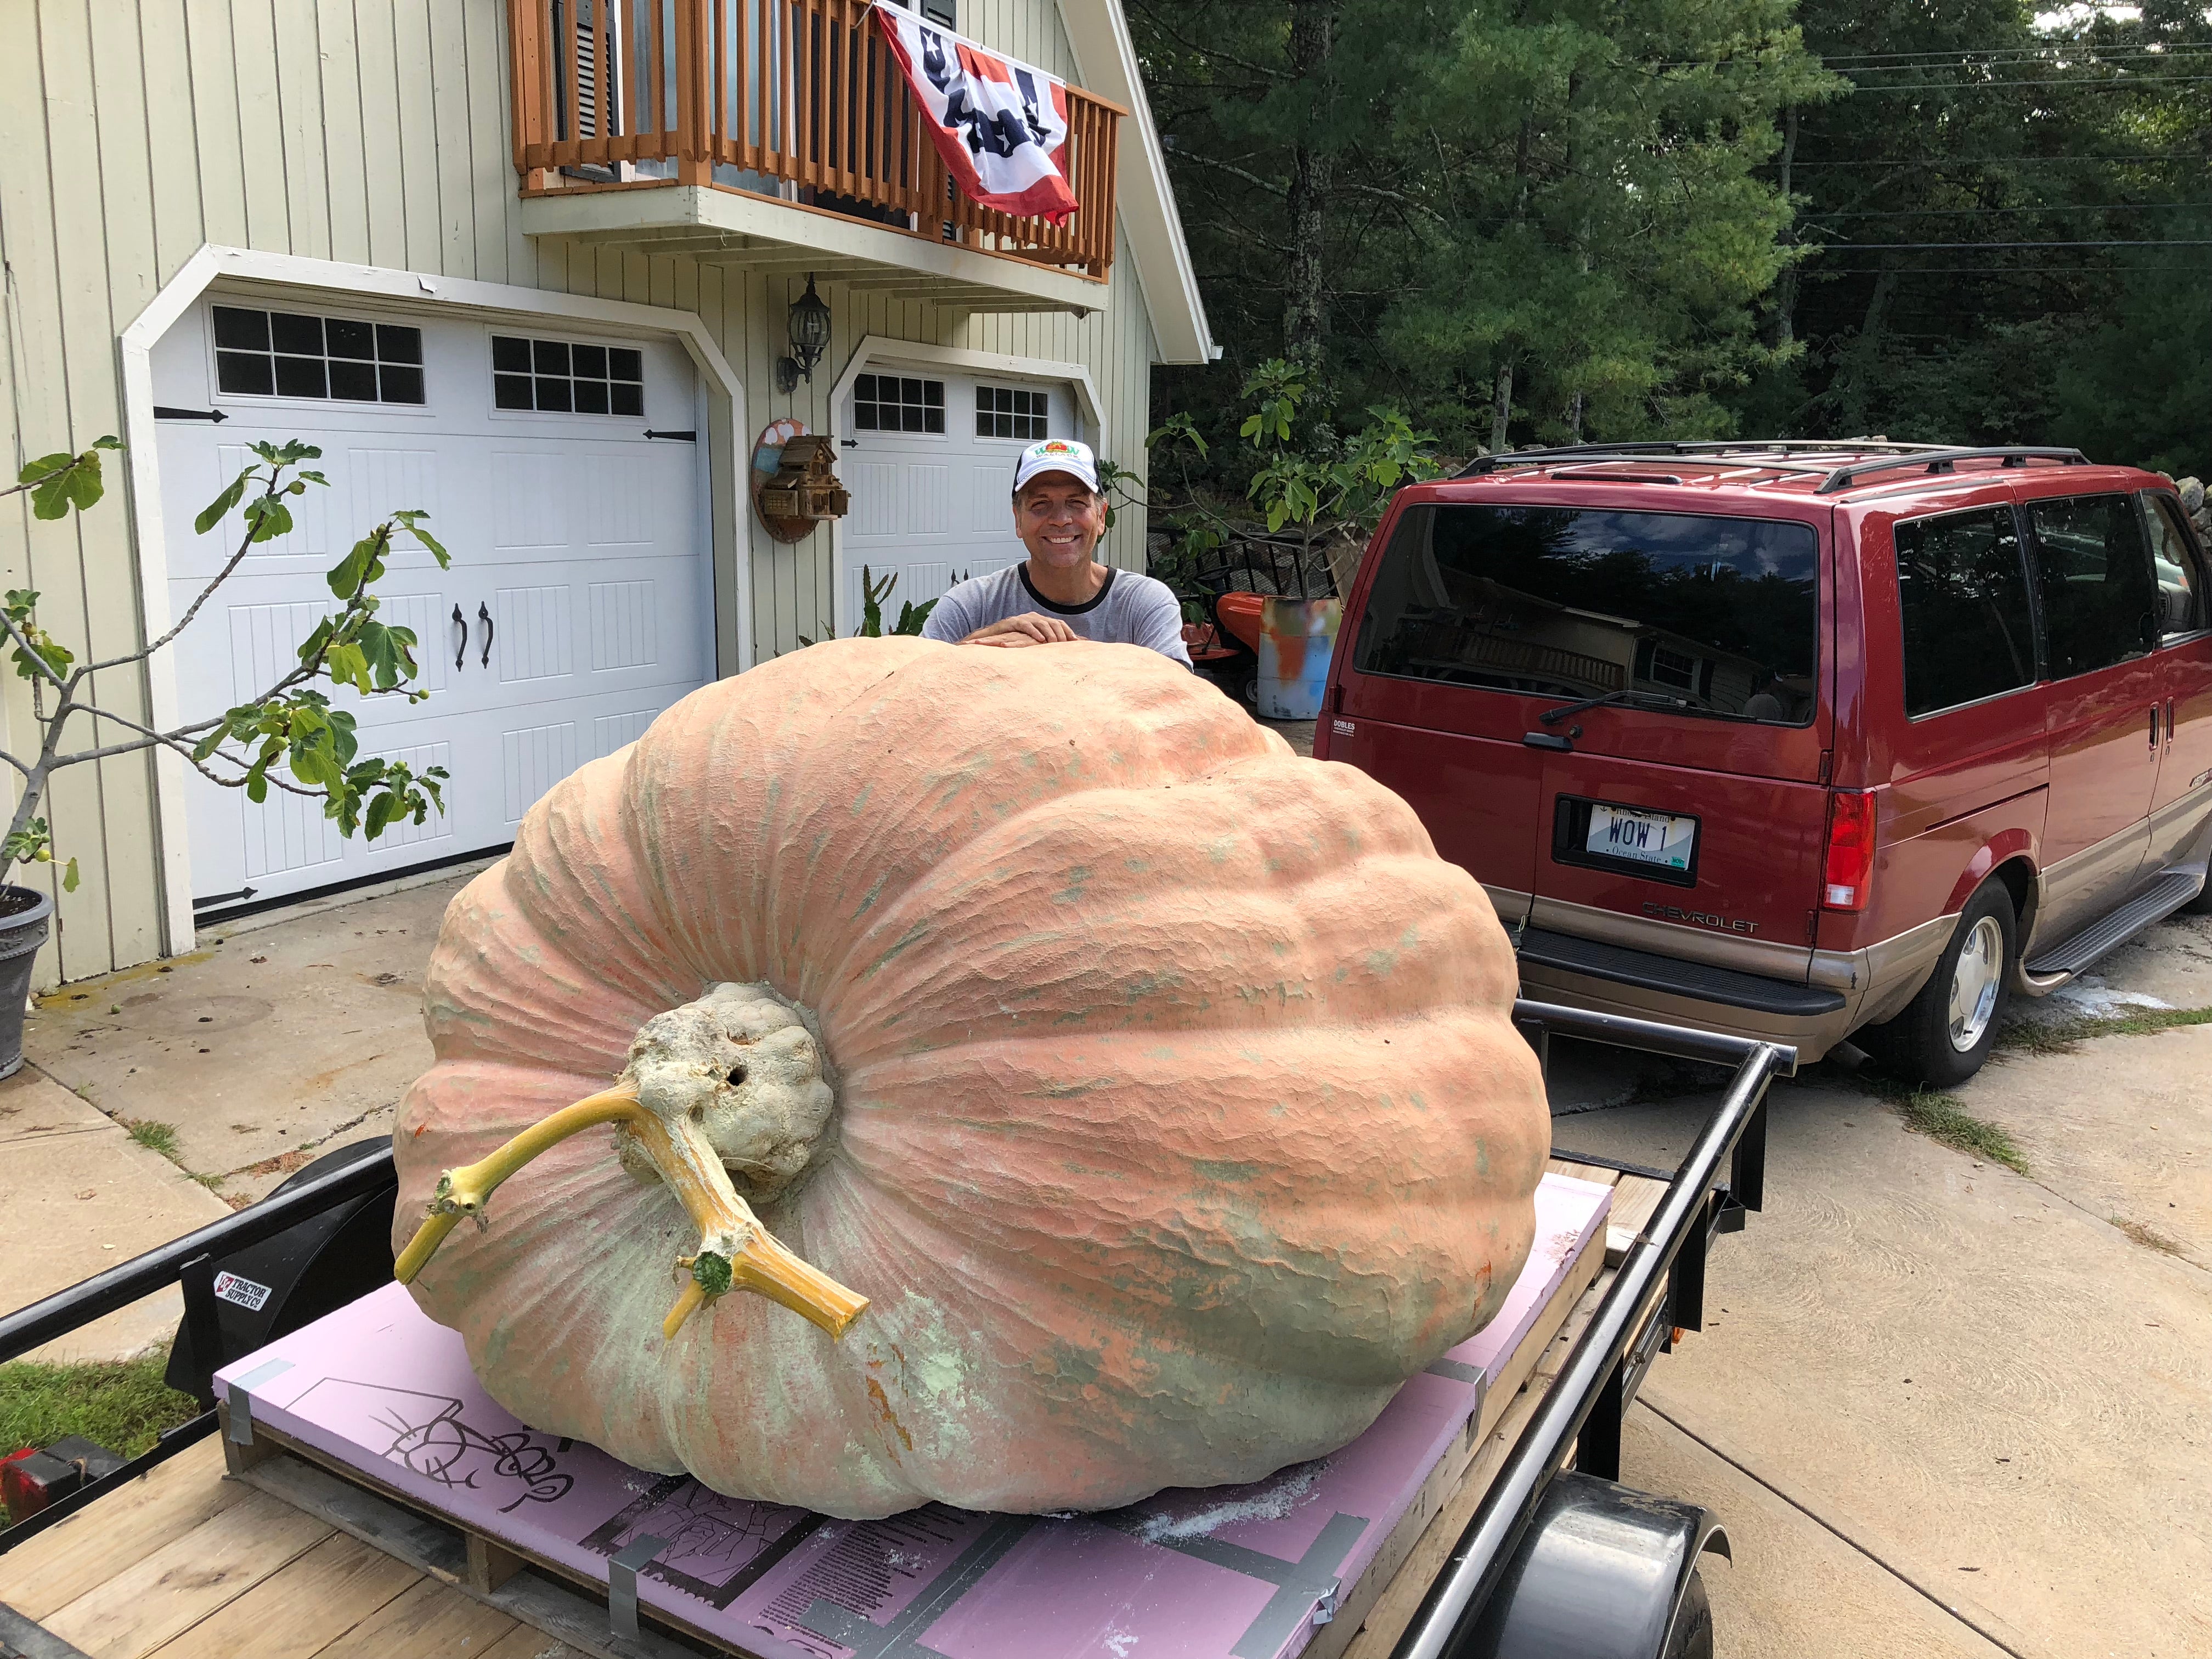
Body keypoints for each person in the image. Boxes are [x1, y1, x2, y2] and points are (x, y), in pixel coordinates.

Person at [921, 438, 1192, 667]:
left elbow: (1178, 697)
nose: (1061, 519)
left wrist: (1065, 650)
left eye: (1076, 502)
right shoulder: (968, 607)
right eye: (1041, 504)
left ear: (1101, 517)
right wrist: (982, 643)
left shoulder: (1144, 604)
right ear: (1018, 520)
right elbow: (909, 688)